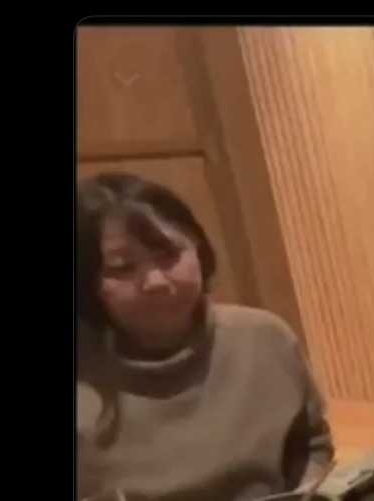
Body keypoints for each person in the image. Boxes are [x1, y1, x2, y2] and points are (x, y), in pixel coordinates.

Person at [77, 173, 334, 501]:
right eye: (122, 268)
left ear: (199, 250)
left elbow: (310, 445)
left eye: (169, 255)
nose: (156, 282)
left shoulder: (264, 337)